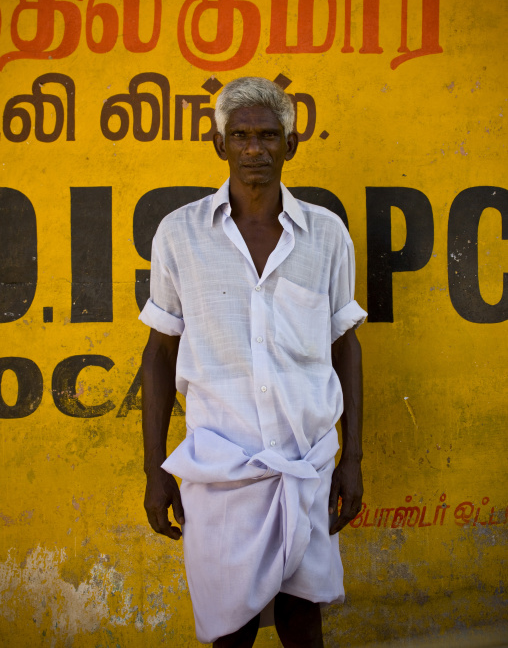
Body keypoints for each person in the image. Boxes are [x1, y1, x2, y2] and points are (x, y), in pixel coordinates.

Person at [139, 77, 367, 647]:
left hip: (305, 463)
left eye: (269, 135)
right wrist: (154, 472)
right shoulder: (179, 234)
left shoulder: (326, 236)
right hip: (219, 470)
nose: (254, 149)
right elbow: (160, 351)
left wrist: (354, 459)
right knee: (230, 631)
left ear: (291, 145)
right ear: (220, 144)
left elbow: (345, 347)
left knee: (302, 621)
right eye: (240, 136)